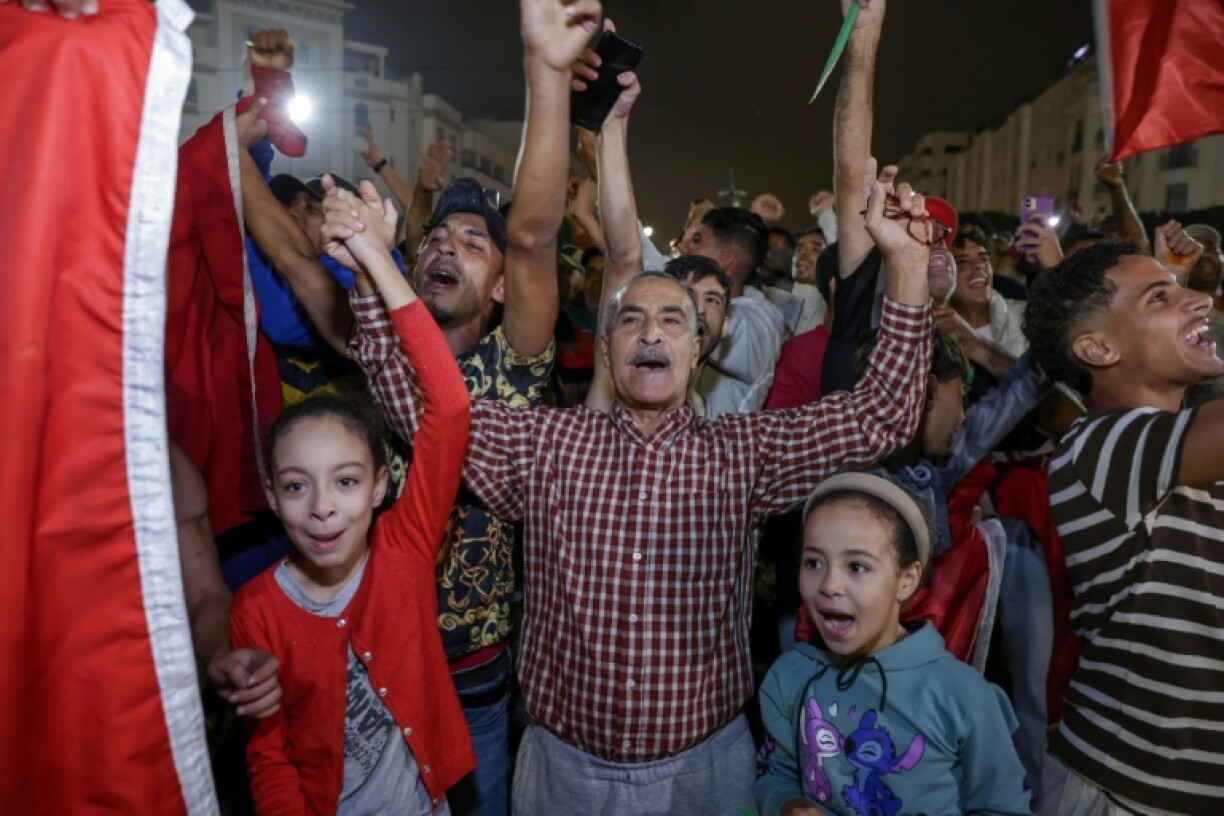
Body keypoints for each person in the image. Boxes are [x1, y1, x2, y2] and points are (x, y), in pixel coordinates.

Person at [345, 156, 934, 812]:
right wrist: (369, 266)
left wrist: (907, 266)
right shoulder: (546, 444)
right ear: (607, 351)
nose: (651, 331)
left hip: (704, 770)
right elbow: (421, 412)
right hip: (564, 770)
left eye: (673, 322)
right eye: (630, 320)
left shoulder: (745, 454)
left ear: (695, 351)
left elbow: (882, 414)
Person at [345, 3, 588, 813]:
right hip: (373, 658)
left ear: (497, 291)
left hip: (475, 673)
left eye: (471, 244)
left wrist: (543, 74)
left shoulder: (512, 368)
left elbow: (533, 236)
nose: (448, 245)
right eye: (437, 237)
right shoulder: (381, 339)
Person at [230, 179, 474, 814]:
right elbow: (270, 756)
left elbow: (448, 408)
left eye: (345, 481)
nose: (321, 508)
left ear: (380, 485)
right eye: (295, 486)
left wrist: (377, 260)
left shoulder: (407, 547)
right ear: (271, 495)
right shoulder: (256, 609)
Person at [1022, 239, 1224, 815]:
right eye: (1160, 296)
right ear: (1097, 347)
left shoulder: (1185, 446)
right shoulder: (1098, 445)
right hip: (1126, 788)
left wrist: (1168, 302)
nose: (1201, 301)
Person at [754, 473, 1030, 815]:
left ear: (906, 581)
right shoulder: (790, 677)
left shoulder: (965, 697)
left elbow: (1002, 808)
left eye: (857, 566)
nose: (829, 584)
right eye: (814, 562)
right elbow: (776, 772)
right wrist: (789, 803)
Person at [680, 205, 787, 416]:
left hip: (722, 448)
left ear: (723, 260)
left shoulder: (758, 325)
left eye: (697, 240)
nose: (685, 248)